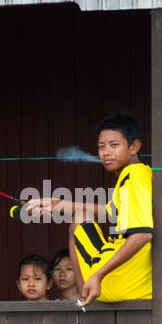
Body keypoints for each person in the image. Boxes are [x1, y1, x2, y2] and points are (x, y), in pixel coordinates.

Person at [24, 113, 152, 304]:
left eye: (114, 145)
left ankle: (84, 292)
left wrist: (98, 276)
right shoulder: (141, 174)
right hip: (136, 286)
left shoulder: (133, 178)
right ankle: (86, 290)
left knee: (79, 219)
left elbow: (143, 235)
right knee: (81, 214)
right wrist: (53, 204)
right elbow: (109, 212)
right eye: (101, 146)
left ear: (134, 147)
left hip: (115, 284)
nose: (105, 152)